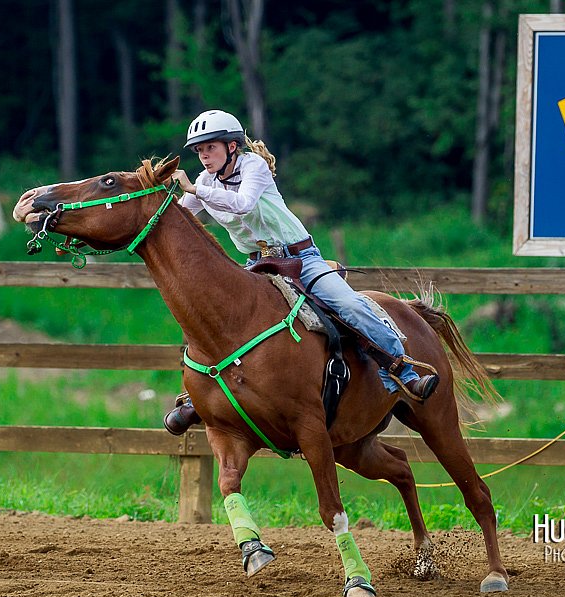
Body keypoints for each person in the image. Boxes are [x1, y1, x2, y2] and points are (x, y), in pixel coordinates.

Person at [163, 109, 438, 435]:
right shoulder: (206, 182)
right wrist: (159, 194)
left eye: (210, 147)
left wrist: (195, 190)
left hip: (300, 258)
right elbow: (178, 218)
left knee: (348, 306)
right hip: (256, 264)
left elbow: (243, 203)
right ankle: (202, 394)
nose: (204, 156)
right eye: (199, 150)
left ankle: (404, 371)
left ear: (232, 146)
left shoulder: (254, 166)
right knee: (218, 316)